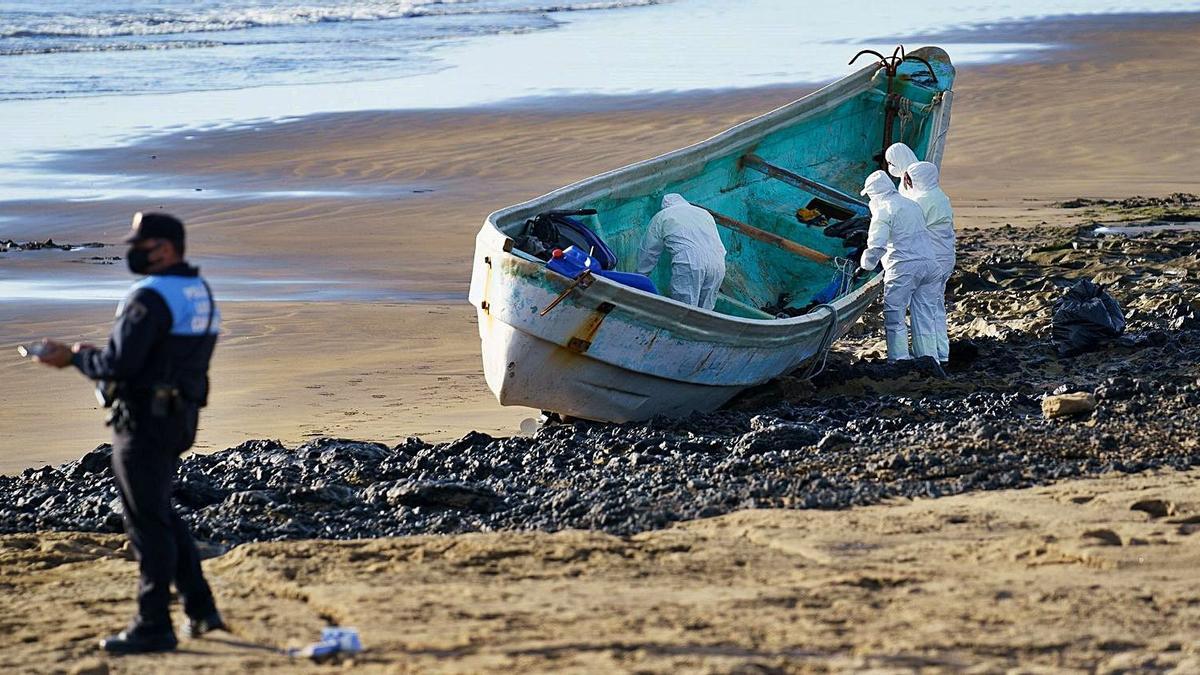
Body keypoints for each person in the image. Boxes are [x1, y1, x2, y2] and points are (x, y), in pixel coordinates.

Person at [31, 212, 225, 654]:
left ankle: (153, 623)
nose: (132, 251)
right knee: (158, 511)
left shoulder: (148, 298)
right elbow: (162, 357)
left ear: (166, 248)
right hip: (181, 418)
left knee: (146, 523)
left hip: (144, 423)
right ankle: (201, 608)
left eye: (142, 244)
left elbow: (120, 366)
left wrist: (74, 360)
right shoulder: (198, 292)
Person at [858, 171, 942, 361]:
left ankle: (899, 360)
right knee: (924, 316)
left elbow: (876, 246)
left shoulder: (883, 209)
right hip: (930, 265)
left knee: (895, 316)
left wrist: (866, 265)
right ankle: (929, 359)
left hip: (904, 268)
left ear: (875, 193)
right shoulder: (912, 204)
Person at [636, 193, 727, 310]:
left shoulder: (662, 215)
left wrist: (639, 276)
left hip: (689, 260)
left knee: (683, 310)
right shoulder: (704, 213)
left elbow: (649, 251)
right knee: (706, 311)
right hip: (718, 262)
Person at [903, 161, 955, 363]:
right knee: (936, 308)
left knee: (922, 309)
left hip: (930, 262)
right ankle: (942, 353)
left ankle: (927, 358)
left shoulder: (921, 202)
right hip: (945, 259)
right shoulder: (941, 197)